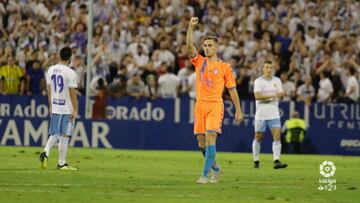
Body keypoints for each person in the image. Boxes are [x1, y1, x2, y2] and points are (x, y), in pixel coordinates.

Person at [187, 17, 243, 184]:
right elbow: (189, 46)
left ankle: (204, 175)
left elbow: (232, 90)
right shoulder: (199, 61)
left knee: (211, 136)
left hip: (215, 105)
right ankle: (216, 168)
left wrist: (238, 110)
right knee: (201, 142)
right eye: (205, 45)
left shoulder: (225, 67)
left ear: (217, 47)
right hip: (200, 105)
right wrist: (191, 26)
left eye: (210, 45)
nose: (206, 48)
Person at [39, 47, 78, 170]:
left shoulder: (51, 70)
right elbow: (72, 93)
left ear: (59, 56)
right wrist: (75, 110)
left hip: (56, 105)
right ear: (70, 58)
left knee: (56, 133)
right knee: (65, 135)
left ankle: (45, 152)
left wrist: (51, 105)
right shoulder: (70, 72)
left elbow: (49, 89)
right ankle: (61, 163)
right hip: (67, 108)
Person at [253, 61, 288, 169]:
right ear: (263, 69)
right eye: (267, 67)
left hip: (274, 113)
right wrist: (274, 95)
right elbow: (257, 96)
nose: (269, 69)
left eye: (270, 67)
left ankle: (276, 160)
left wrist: (281, 95)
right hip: (261, 114)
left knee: (277, 135)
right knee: (258, 137)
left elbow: (280, 95)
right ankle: (256, 160)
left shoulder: (277, 80)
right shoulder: (258, 81)